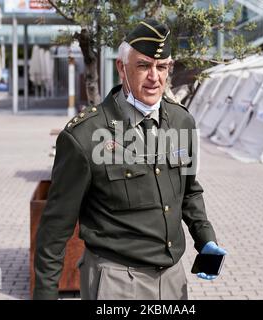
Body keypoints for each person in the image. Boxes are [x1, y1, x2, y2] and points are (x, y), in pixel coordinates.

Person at [33, 19, 227, 300]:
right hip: (116, 282)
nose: (154, 77)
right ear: (122, 68)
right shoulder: (85, 135)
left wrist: (205, 237)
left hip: (173, 279)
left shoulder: (182, 121)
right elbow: (54, 231)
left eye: (162, 67)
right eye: (143, 65)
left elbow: (189, 191)